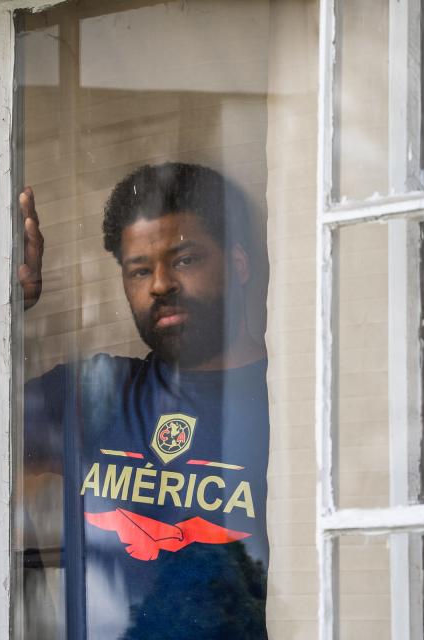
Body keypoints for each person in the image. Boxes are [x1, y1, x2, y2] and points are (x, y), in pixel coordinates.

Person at [19, 163, 270, 639]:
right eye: (139, 270)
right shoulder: (96, 393)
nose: (159, 284)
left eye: (185, 260)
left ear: (238, 263)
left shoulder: (290, 401)